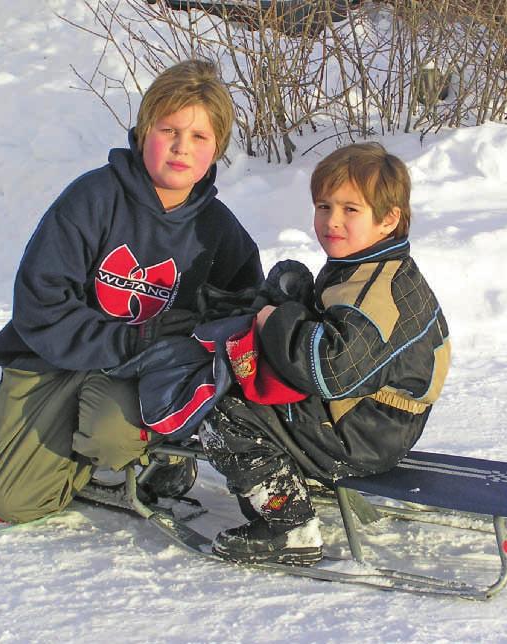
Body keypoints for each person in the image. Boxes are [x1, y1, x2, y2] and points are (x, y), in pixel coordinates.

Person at [0, 59, 263, 524]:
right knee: (9, 503)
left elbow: (240, 309)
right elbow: (39, 302)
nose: (181, 148)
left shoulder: (218, 229)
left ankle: (147, 457)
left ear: (218, 148)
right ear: (145, 130)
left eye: (199, 137)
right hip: (53, 360)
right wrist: (132, 338)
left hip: (136, 376)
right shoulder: (92, 198)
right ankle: (33, 449)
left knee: (112, 434)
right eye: (169, 130)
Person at [200, 142, 451, 566]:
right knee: (287, 279)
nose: (331, 221)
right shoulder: (368, 264)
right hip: (372, 415)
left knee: (223, 406)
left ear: (388, 219)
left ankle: (288, 525)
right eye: (323, 206)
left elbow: (331, 370)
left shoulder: (376, 295)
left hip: (362, 433)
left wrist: (275, 322)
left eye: (350, 210)